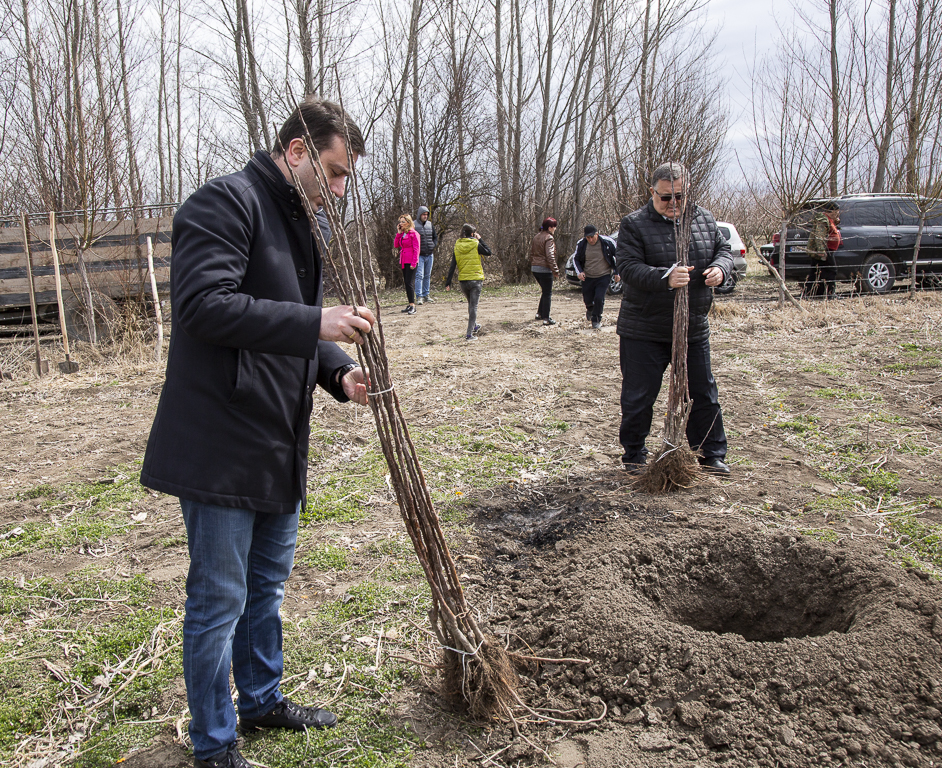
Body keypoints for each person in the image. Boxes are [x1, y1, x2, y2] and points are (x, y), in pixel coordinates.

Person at [140, 97, 374, 768]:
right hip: (221, 444)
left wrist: (339, 372)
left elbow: (298, 320)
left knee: (266, 589)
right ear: (296, 151)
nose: (339, 190)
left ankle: (262, 699)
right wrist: (316, 323)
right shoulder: (225, 203)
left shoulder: (302, 223)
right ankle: (214, 744)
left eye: (346, 178)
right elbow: (204, 306)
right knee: (219, 600)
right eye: (334, 172)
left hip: (278, 441)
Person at [615, 161, 734, 476]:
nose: (673, 203)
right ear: (652, 192)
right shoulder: (634, 224)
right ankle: (634, 456)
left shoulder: (703, 218)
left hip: (692, 326)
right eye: (665, 197)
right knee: (639, 396)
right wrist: (664, 277)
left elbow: (724, 251)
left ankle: (710, 454)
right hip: (645, 328)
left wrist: (721, 269)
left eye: (679, 196)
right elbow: (627, 267)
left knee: (702, 392)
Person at [444, 223, 492, 340]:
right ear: (472, 234)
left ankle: (474, 326)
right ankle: (469, 334)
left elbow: (453, 265)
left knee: (470, 304)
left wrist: (448, 282)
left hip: (463, 280)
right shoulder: (475, 244)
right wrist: (480, 239)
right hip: (475, 279)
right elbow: (488, 252)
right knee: (473, 307)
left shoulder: (457, 245)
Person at [573, 224, 619, 329]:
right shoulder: (581, 244)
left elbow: (618, 256)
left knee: (599, 298)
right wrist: (579, 272)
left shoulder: (608, 242)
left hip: (604, 275)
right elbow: (576, 259)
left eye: (592, 237)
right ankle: (590, 309)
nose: (590, 240)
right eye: (588, 237)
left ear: (597, 234)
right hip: (588, 276)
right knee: (587, 299)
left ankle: (596, 319)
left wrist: (617, 272)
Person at [801, 205, 839, 298]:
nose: (838, 214)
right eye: (837, 212)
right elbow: (819, 236)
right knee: (831, 271)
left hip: (827, 249)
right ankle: (830, 293)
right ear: (832, 211)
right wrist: (821, 250)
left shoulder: (828, 219)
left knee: (816, 272)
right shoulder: (822, 220)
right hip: (825, 250)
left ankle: (812, 293)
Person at [530, 217, 560, 325]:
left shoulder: (536, 236)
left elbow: (532, 253)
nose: (555, 229)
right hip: (544, 269)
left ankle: (539, 313)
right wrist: (555, 270)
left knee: (545, 291)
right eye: (554, 227)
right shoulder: (549, 238)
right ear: (550, 227)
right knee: (547, 293)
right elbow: (550, 256)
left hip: (535, 268)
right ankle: (546, 318)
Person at [395, 214, 420, 315]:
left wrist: (414, 263)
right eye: (400, 222)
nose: (400, 224)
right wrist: (398, 233)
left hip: (411, 261)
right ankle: (410, 304)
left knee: (409, 282)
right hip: (404, 260)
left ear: (408, 223)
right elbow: (396, 245)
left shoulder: (414, 234)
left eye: (403, 222)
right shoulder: (403, 234)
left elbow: (416, 249)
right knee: (406, 282)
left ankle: (413, 305)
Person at [414, 205, 438, 304]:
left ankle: (426, 294)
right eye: (423, 214)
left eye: (427, 214)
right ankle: (419, 296)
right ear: (420, 214)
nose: (425, 216)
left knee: (427, 275)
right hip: (419, 255)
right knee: (419, 275)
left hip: (429, 254)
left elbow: (435, 237)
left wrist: (433, 245)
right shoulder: (414, 225)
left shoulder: (429, 224)